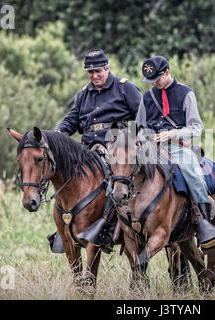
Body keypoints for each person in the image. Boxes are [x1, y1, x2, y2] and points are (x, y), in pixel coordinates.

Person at [54, 49, 142, 251]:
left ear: (107, 68)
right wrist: (56, 134)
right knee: (65, 180)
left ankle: (108, 228)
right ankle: (66, 228)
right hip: (86, 151)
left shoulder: (125, 88)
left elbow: (141, 118)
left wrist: (129, 139)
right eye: (90, 72)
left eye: (98, 71)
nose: (94, 76)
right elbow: (71, 121)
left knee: (113, 183)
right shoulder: (83, 94)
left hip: (117, 150)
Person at [136, 56, 215, 250]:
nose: (155, 84)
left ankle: (203, 223)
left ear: (167, 72)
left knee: (193, 173)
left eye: (157, 79)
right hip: (150, 148)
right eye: (151, 81)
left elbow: (196, 127)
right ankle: (115, 222)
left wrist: (173, 133)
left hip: (177, 146)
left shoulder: (185, 93)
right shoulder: (147, 97)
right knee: (122, 172)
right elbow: (139, 125)